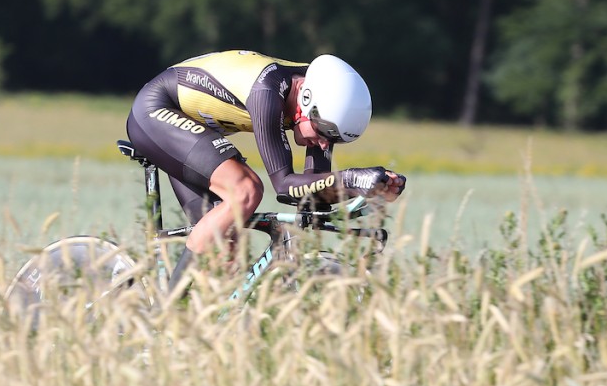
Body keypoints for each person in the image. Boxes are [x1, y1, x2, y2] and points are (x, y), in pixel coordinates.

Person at [125, 50, 406, 293]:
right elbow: (284, 187)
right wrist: (353, 179)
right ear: (306, 101)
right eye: (326, 133)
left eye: (335, 139)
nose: (324, 143)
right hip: (158, 110)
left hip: (194, 126)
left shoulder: (321, 104)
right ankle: (166, 317)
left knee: (226, 255)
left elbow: (311, 196)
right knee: (245, 190)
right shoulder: (267, 93)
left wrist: (366, 189)